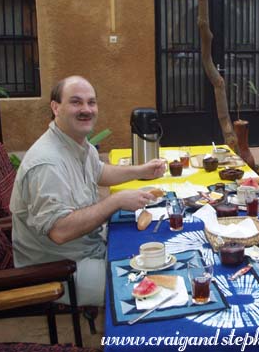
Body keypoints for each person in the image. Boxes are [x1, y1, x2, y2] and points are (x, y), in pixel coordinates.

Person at [10, 76, 166, 306]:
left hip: (90, 247)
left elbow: (99, 172)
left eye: (91, 102)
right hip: (58, 267)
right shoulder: (47, 164)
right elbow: (60, 231)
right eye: (76, 102)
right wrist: (116, 201)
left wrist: (142, 170)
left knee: (157, 251)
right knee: (153, 288)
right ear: (56, 107)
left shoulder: (75, 143)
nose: (86, 109)